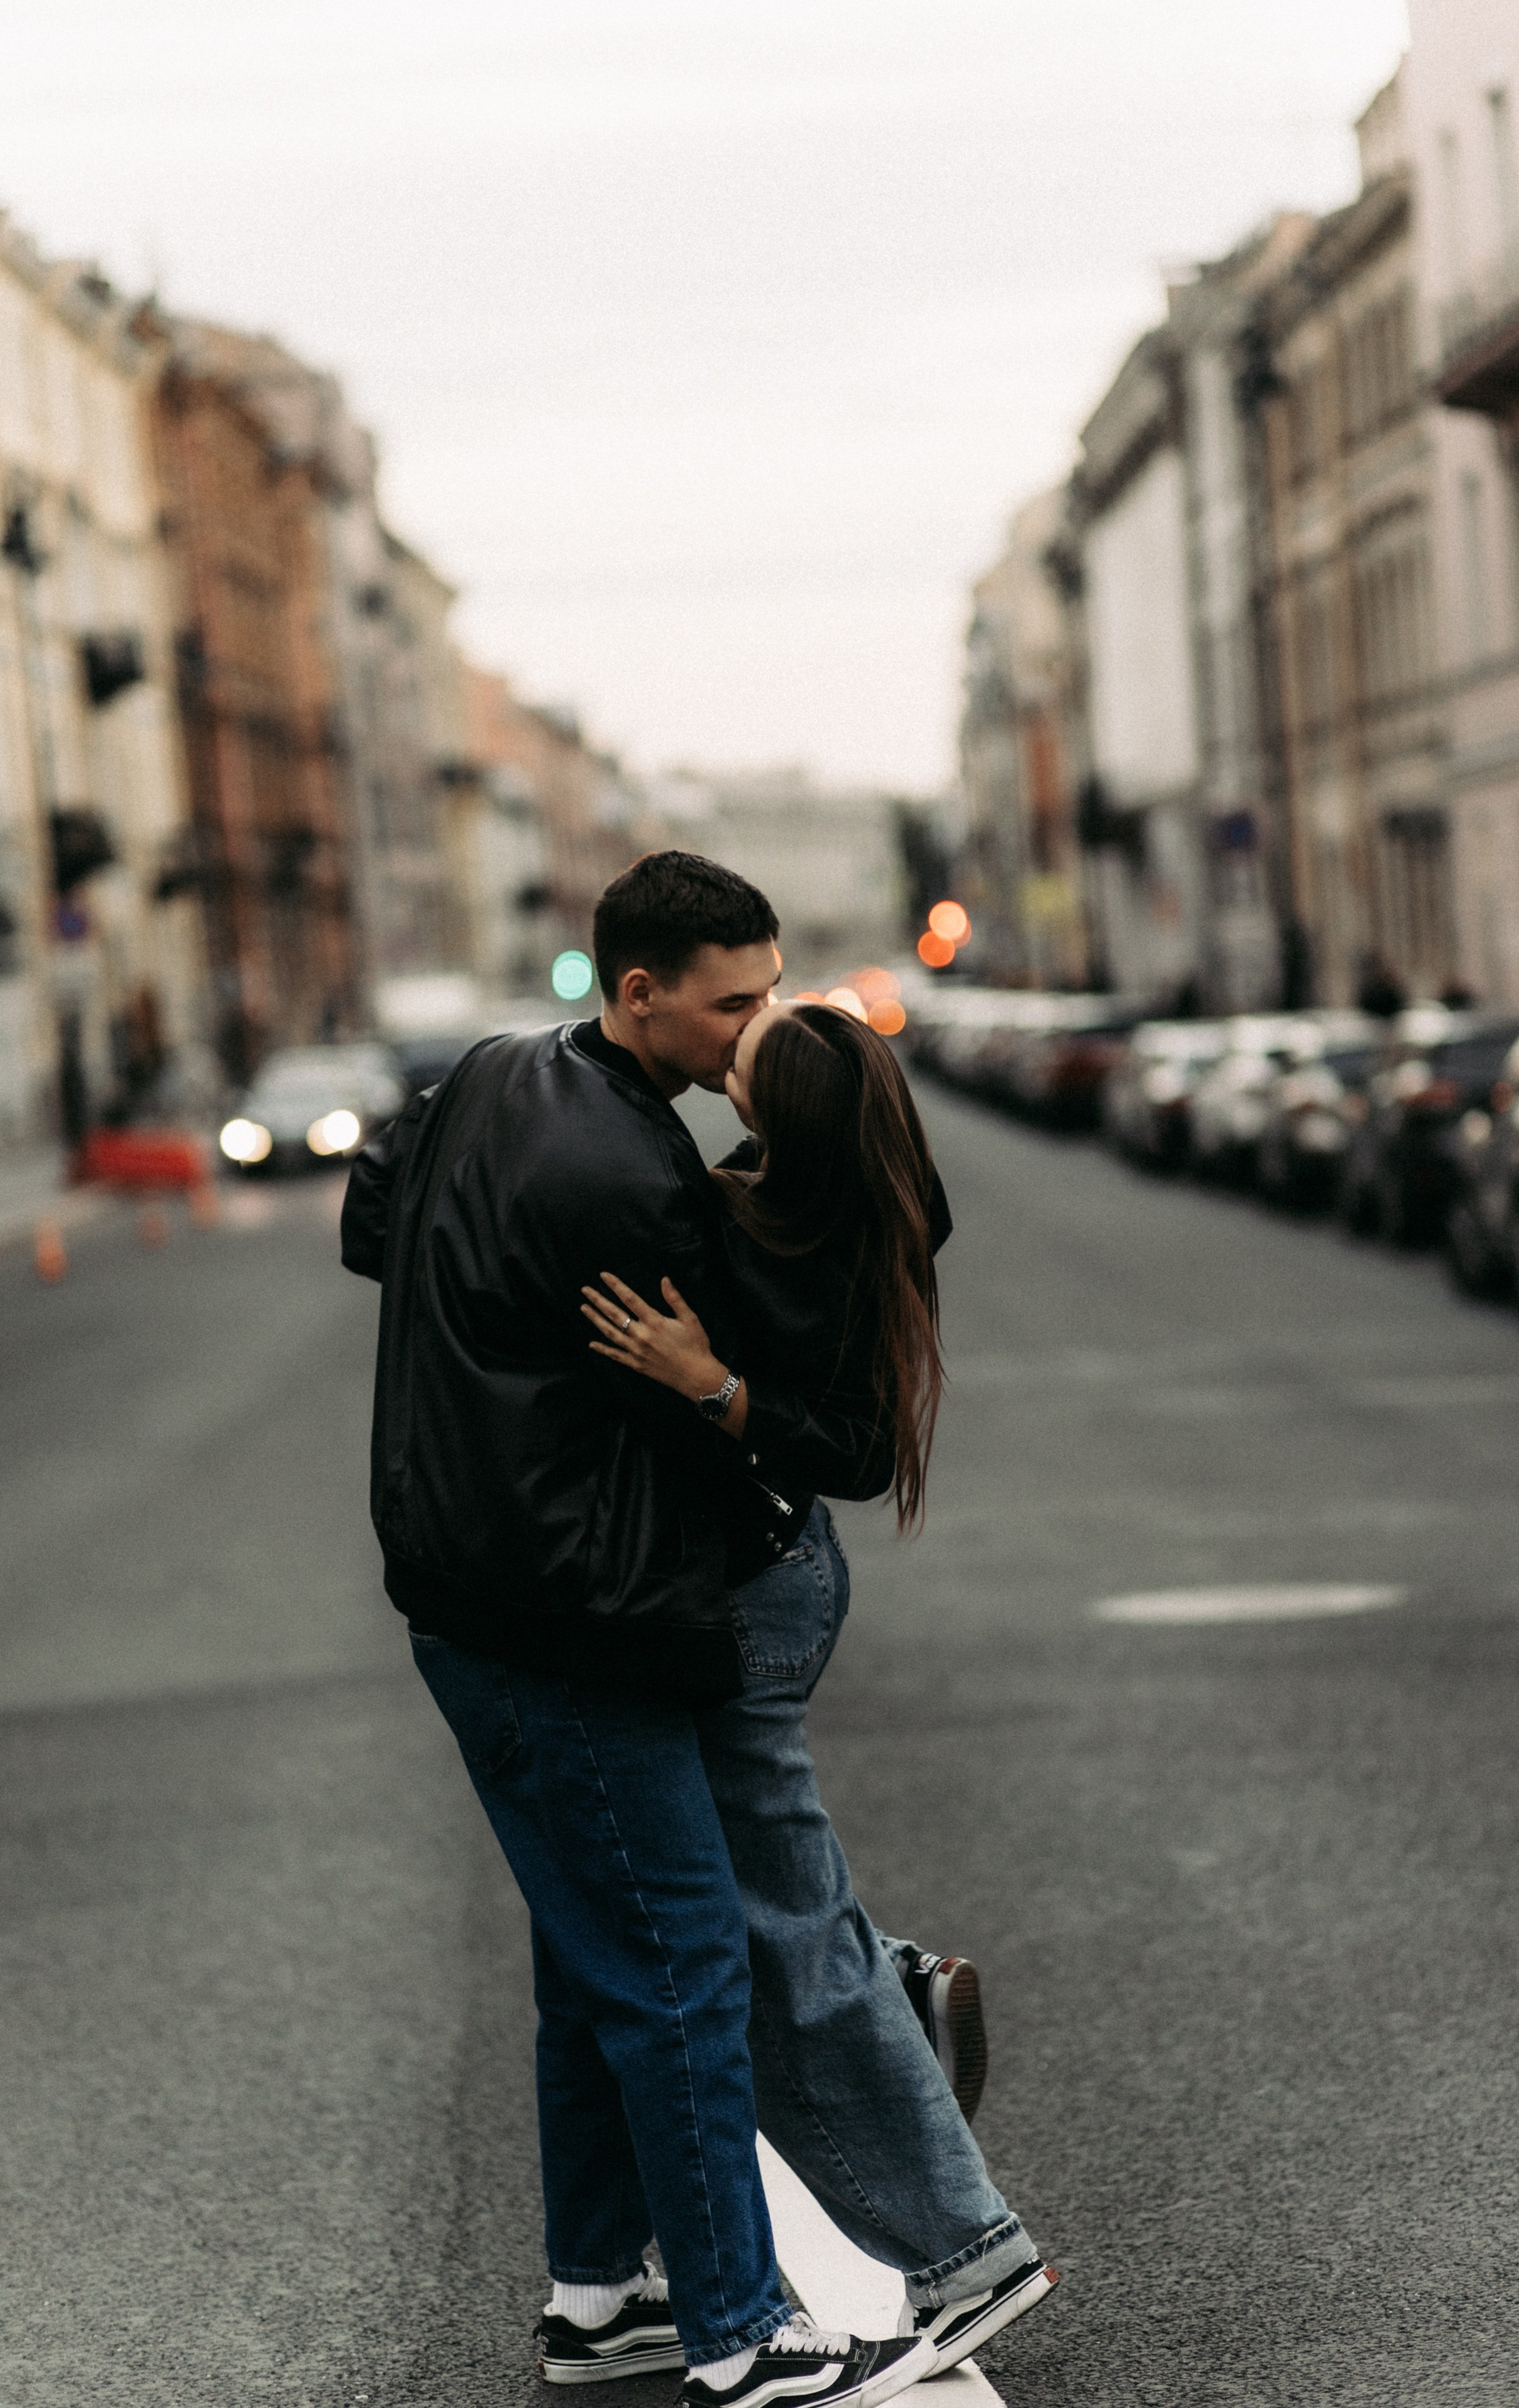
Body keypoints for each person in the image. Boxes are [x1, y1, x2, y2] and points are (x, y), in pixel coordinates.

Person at [341, 853, 937, 2408]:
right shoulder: (645, 1180)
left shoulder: (482, 1073)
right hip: (573, 1615)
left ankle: (602, 2298)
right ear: (637, 994)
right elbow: (811, 1387)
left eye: (770, 992)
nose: (757, 1027)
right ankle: (743, 2332)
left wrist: (487, 1341)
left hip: (468, 1581)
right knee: (682, 1972)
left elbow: (370, 1225)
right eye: (734, 1002)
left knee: (585, 1970)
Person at [576, 997, 1057, 2380]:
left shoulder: (806, 1230)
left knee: (769, 1914)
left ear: (777, 1110)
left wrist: (711, 1383)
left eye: (746, 1053)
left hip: (760, 1592)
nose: (723, 1056)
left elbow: (845, 1445)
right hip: (767, 1583)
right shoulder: (800, 1194)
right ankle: (621, 2265)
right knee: (720, 1899)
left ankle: (965, 2249)